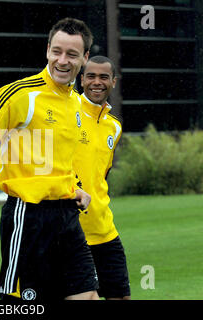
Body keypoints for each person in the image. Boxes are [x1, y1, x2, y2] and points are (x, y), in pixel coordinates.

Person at [0, 18, 99, 300]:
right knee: (20, 303)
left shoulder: (76, 103)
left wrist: (74, 186)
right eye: (57, 51)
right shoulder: (20, 94)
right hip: (28, 217)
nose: (62, 61)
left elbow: (58, 157)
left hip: (66, 216)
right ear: (47, 49)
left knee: (87, 295)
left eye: (72, 54)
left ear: (85, 58)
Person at [73, 55, 130, 299]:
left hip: (105, 230)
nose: (97, 82)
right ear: (82, 80)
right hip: (71, 231)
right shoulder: (68, 111)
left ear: (113, 82)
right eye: (91, 76)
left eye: (104, 77)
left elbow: (100, 176)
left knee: (120, 296)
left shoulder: (114, 126)